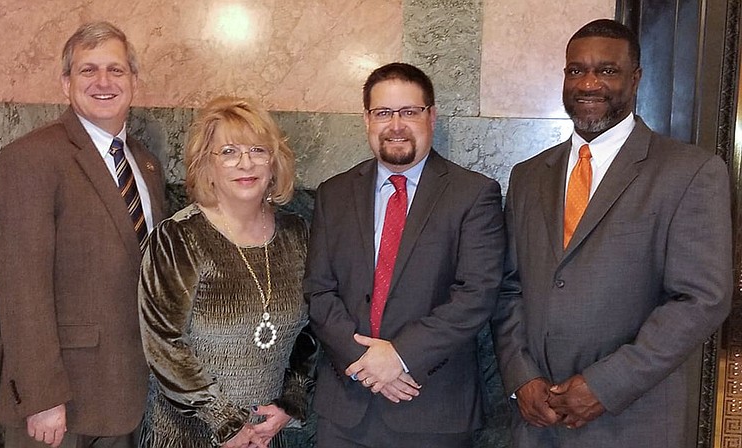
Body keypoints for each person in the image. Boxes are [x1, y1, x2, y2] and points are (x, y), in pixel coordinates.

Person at [491, 18, 732, 447]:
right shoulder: (528, 176)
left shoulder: (690, 172)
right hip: (536, 423)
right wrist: (521, 376)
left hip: (632, 421)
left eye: (607, 70)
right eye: (575, 70)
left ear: (635, 78)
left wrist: (606, 385)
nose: (588, 83)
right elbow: (509, 288)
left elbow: (701, 299)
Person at [304, 62, 505, 447]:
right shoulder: (334, 193)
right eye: (383, 113)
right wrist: (366, 364)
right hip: (346, 410)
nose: (396, 125)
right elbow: (319, 291)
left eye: (409, 111)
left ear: (431, 116)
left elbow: (475, 295)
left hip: (431, 405)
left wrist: (399, 356)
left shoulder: (473, 194)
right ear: (366, 119)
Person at [0, 21, 166, 448]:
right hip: (59, 404)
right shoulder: (30, 159)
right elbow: (19, 289)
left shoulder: (147, 165)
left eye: (116, 70)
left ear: (134, 81)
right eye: (88, 71)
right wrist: (42, 396)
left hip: (128, 391)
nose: (103, 82)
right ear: (66, 82)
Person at [138, 96, 315, 448]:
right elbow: (164, 345)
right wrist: (226, 422)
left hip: (267, 434)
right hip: (188, 435)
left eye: (258, 150)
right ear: (206, 164)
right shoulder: (180, 237)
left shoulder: (298, 235)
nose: (245, 163)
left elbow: (310, 333)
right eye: (229, 151)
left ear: (274, 162)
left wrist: (290, 402)